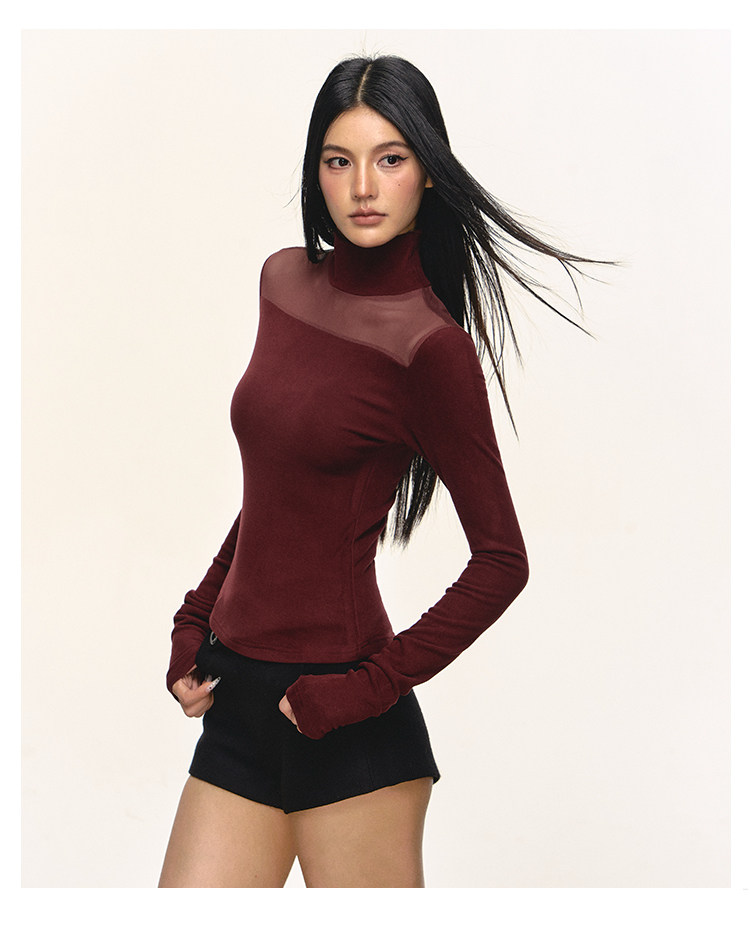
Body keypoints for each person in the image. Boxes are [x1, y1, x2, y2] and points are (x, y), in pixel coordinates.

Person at [158, 54, 601, 888]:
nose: (363, 186)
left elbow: (502, 562)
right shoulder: (281, 280)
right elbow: (281, 491)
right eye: (339, 160)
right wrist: (196, 615)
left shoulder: (429, 349)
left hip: (347, 724)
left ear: (427, 172)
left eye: (389, 158)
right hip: (237, 704)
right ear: (316, 172)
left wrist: (363, 691)